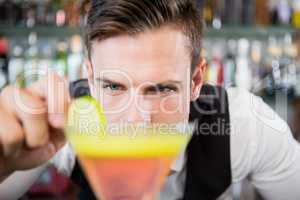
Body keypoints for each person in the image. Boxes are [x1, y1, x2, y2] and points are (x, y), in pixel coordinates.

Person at [1, 0, 300, 199]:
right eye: (114, 87)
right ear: (90, 80)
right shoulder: (59, 122)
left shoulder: (245, 124)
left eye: (162, 89)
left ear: (196, 80)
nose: (138, 120)